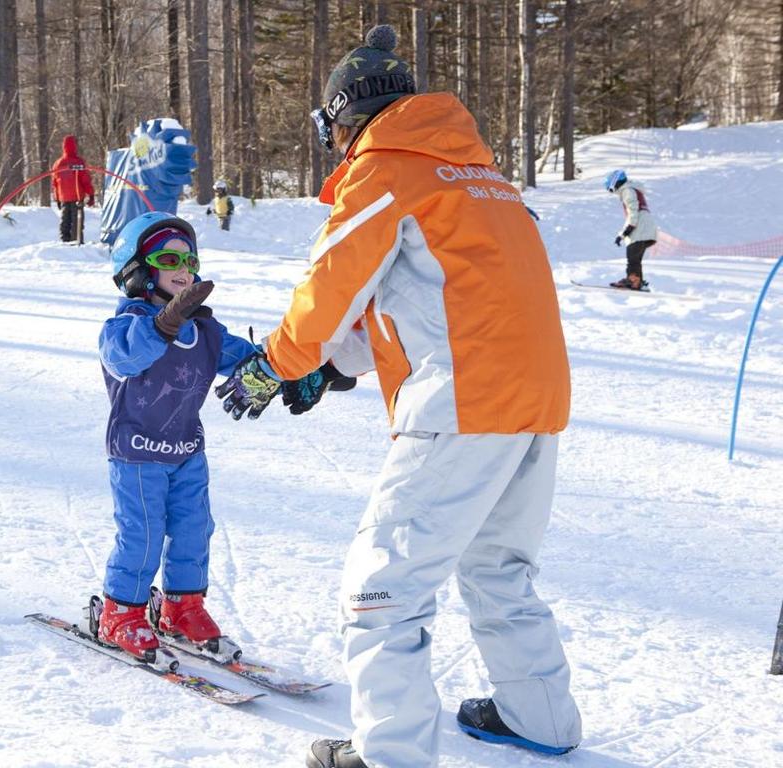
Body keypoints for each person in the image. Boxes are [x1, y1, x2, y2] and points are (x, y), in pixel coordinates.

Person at [215, 24, 582, 768]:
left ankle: (390, 754)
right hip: (532, 401)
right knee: (496, 569)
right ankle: (539, 717)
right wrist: (332, 366)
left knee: (381, 591)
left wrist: (278, 363)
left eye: (333, 129)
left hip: (464, 402)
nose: (338, 145)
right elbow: (427, 299)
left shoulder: (385, 171)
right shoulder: (480, 179)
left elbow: (330, 288)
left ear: (345, 118)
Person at [93, 211, 257, 661]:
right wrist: (163, 323)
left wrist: (305, 366)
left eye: (190, 259)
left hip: (187, 450)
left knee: (193, 530)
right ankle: (121, 613)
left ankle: (182, 608)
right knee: (142, 533)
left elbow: (251, 359)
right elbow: (125, 358)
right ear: (139, 272)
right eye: (169, 259)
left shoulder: (204, 331)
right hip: (138, 453)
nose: (185, 269)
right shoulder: (123, 327)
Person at [605, 169, 658, 290]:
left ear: (615, 183)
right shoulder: (631, 189)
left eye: (610, 189)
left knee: (632, 257)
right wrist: (622, 235)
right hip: (646, 227)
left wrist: (627, 231)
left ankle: (633, 280)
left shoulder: (627, 191)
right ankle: (637, 281)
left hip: (640, 227)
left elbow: (633, 212)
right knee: (635, 258)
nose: (612, 192)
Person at [51, 134, 95, 243]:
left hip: (64, 198)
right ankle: (76, 241)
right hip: (77, 197)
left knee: (65, 221)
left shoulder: (58, 163)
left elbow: (55, 183)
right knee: (77, 221)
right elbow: (85, 180)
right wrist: (91, 195)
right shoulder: (78, 162)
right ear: (74, 146)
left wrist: (57, 198)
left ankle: (64, 240)